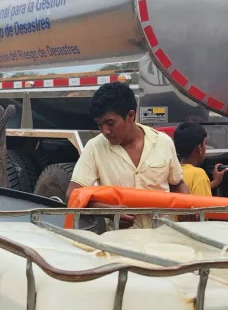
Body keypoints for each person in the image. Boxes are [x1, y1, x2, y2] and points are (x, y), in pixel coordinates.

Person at [67, 82, 189, 229]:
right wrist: (109, 212)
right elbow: (73, 195)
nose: (105, 131)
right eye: (99, 125)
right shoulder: (95, 147)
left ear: (131, 116)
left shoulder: (163, 142)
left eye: (110, 123)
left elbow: (177, 184)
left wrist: (187, 206)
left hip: (164, 238)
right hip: (121, 243)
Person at [173, 122, 227, 197]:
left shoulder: (173, 171)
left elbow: (192, 190)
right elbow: (204, 206)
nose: (205, 147)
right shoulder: (198, 174)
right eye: (205, 144)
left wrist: (215, 182)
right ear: (199, 148)